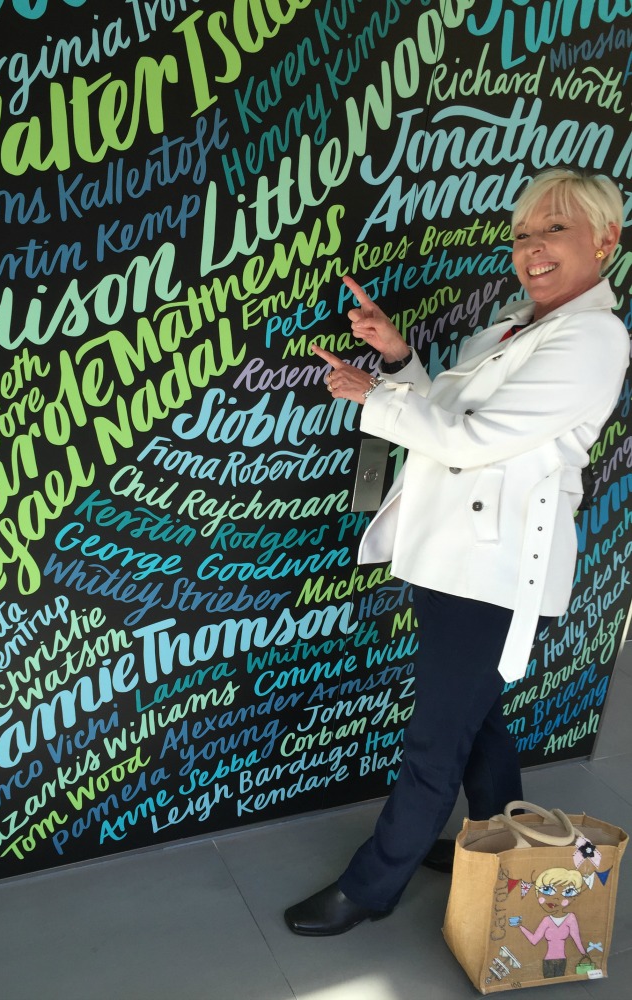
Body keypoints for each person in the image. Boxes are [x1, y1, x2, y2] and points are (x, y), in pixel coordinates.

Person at [284, 168, 630, 936]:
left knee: (437, 735)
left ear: (606, 240)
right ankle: (497, 839)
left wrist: (371, 397)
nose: (533, 248)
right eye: (523, 234)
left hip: (496, 570)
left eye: (557, 229)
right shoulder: (516, 323)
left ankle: (372, 887)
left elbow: (475, 440)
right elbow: (449, 407)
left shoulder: (595, 338)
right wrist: (401, 359)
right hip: (450, 556)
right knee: (476, 716)